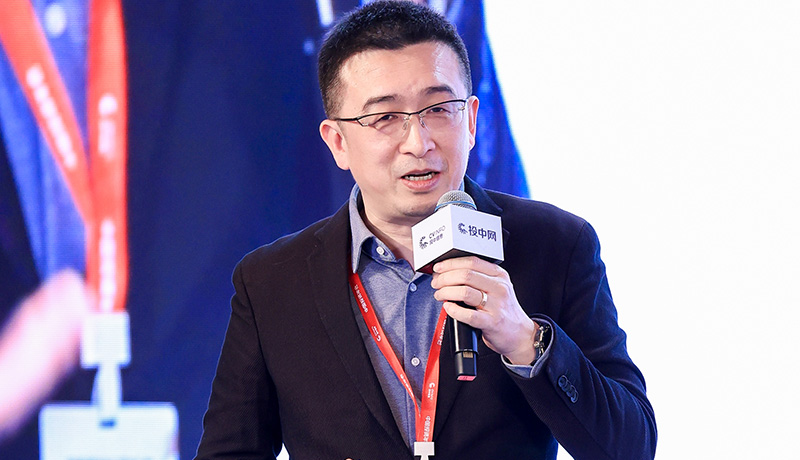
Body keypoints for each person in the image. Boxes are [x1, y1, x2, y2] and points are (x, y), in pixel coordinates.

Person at [195, 2, 657, 459]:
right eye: (385, 117)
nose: (419, 142)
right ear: (338, 142)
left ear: (471, 120)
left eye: (439, 109)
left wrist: (526, 340)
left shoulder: (556, 244)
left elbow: (630, 448)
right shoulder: (272, 282)